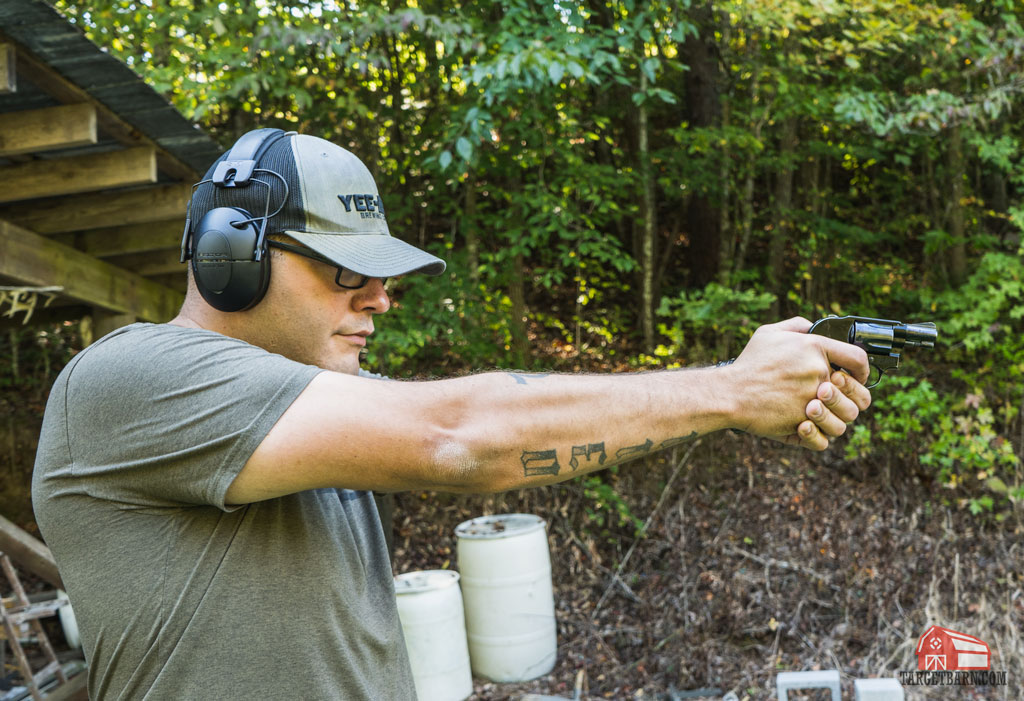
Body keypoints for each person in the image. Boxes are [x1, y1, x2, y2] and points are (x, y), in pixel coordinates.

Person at [32, 129, 871, 700]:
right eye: (343, 271)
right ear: (230, 255)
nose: (380, 298)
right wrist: (729, 389)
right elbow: (458, 436)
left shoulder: (318, 408)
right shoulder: (130, 379)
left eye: (381, 275)